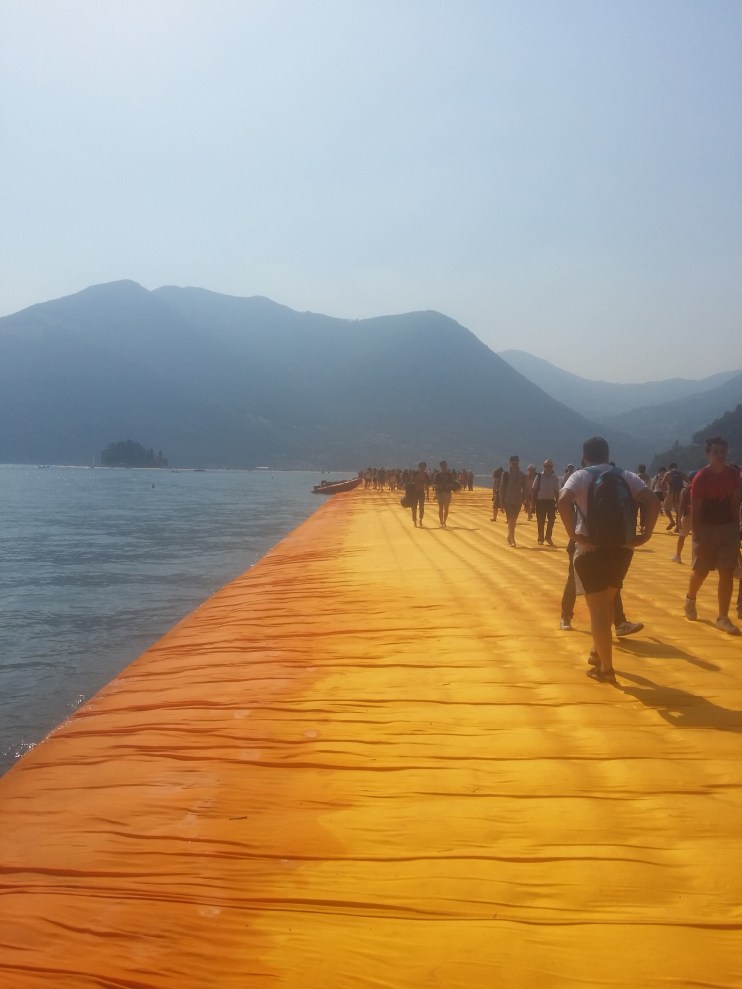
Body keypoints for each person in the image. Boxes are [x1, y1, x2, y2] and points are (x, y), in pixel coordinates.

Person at [558, 437, 659, 683]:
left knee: (598, 612)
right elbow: (654, 501)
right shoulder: (626, 476)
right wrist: (646, 534)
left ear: (585, 456)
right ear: (607, 454)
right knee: (608, 602)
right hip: (622, 550)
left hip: (590, 549)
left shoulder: (580, 476)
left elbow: (562, 501)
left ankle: (606, 669)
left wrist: (573, 534)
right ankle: (597, 652)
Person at [683, 437, 741, 635]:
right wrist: (696, 536)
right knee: (701, 571)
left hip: (727, 528)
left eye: (723, 451)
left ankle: (723, 617)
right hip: (706, 529)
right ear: (708, 454)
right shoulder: (701, 477)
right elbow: (696, 509)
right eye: (716, 452)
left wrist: (735, 530)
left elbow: (734, 502)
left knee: (727, 572)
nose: (720, 455)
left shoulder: (733, 475)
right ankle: (690, 598)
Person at [532, 458, 560, 545]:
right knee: (540, 521)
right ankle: (540, 538)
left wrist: (558, 502)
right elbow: (534, 490)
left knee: (551, 520)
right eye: (547, 466)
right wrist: (532, 504)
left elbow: (556, 491)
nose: (548, 468)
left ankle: (548, 537)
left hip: (551, 502)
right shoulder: (539, 477)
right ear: (544, 466)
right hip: (540, 502)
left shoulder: (555, 478)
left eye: (550, 466)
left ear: (552, 467)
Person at [500, 455, 526, 547]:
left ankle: (509, 536)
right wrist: (501, 503)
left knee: (514, 520)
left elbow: (525, 489)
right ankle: (512, 539)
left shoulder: (522, 475)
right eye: (513, 463)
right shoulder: (505, 474)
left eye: (516, 463)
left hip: (518, 501)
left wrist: (526, 502)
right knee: (511, 520)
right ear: (510, 463)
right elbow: (502, 489)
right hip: (508, 500)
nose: (515, 464)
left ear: (518, 463)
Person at [671, 473, 694, 564]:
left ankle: (678, 556)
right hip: (697, 517)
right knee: (696, 539)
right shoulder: (701, 490)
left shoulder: (685, 490)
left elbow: (681, 506)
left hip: (687, 516)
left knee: (682, 537)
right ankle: (694, 559)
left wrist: (678, 521)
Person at [434, 460, 456, 527]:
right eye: (444, 465)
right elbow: (435, 484)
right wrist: (435, 494)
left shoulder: (450, 475)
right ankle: (441, 522)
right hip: (440, 492)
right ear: (441, 466)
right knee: (440, 508)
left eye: (446, 465)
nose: (445, 466)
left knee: (446, 508)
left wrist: (450, 486)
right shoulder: (438, 475)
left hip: (447, 492)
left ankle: (444, 521)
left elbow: (453, 483)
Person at [408, 461, 428, 527]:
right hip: (415, 492)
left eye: (424, 467)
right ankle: (414, 521)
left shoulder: (425, 475)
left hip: (422, 492)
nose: (424, 468)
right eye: (423, 466)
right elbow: (410, 482)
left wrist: (427, 494)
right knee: (414, 507)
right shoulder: (415, 474)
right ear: (420, 467)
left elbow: (427, 483)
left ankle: (421, 519)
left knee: (421, 507)